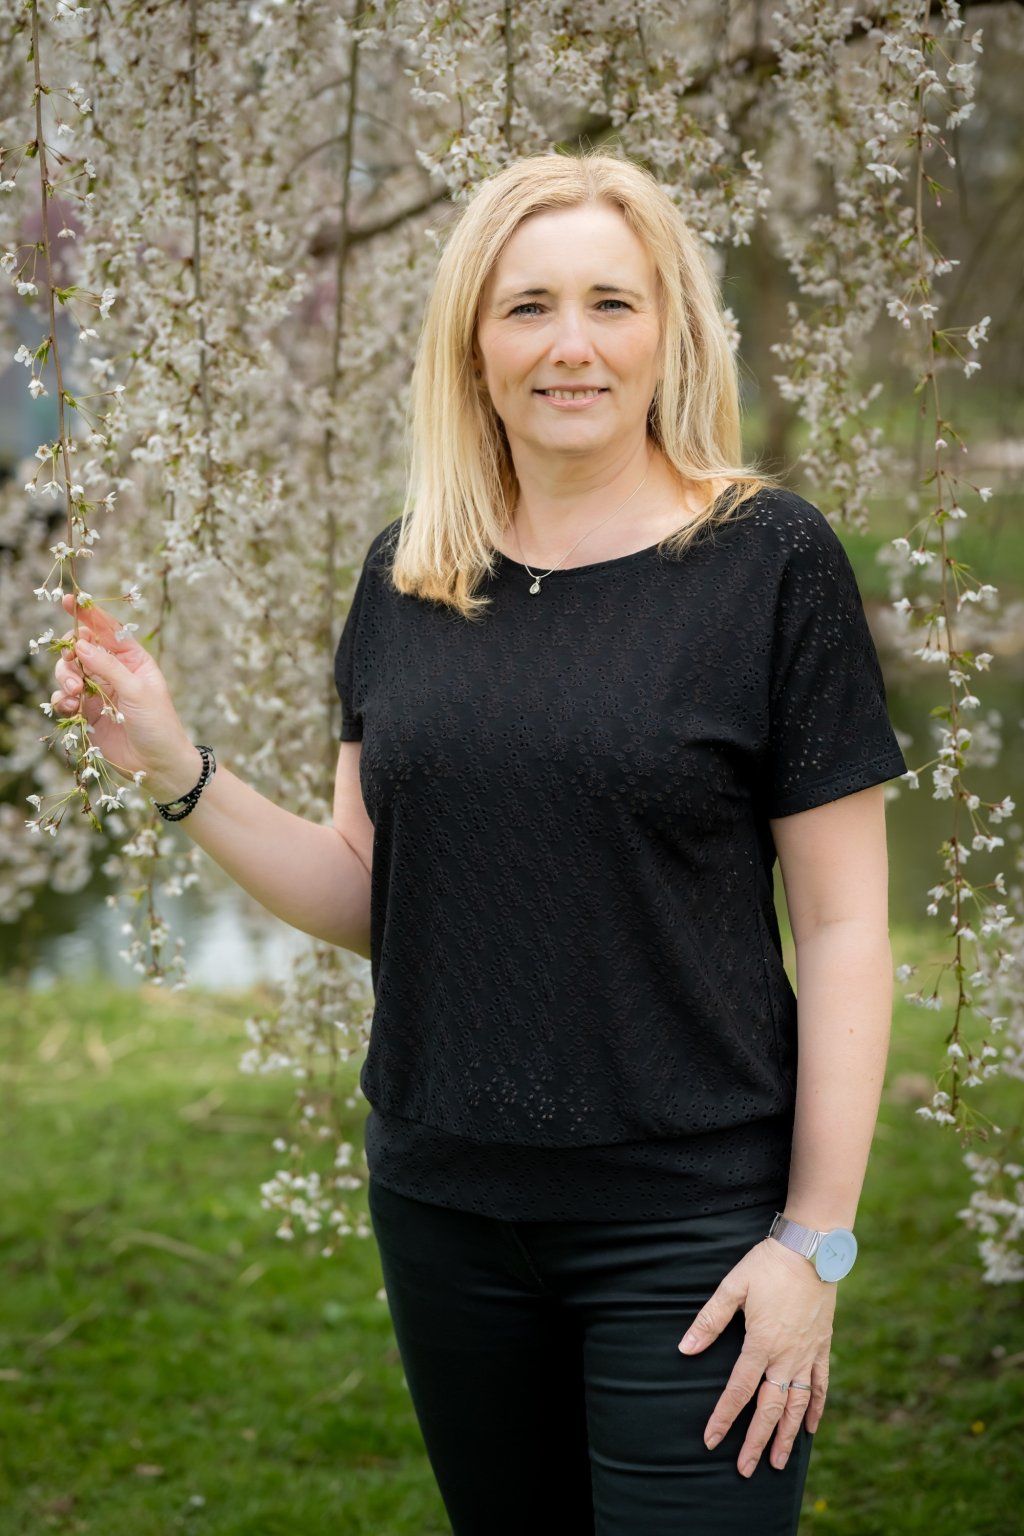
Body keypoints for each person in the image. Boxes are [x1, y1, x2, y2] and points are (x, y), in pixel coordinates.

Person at [51, 151, 908, 1536]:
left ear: (670, 333)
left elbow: (847, 926)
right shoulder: (408, 576)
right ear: (473, 345)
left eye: (612, 304)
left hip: (694, 1231)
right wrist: (173, 764)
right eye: (529, 307)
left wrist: (814, 1238)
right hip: (447, 1215)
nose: (572, 345)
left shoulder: (769, 562)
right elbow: (371, 893)